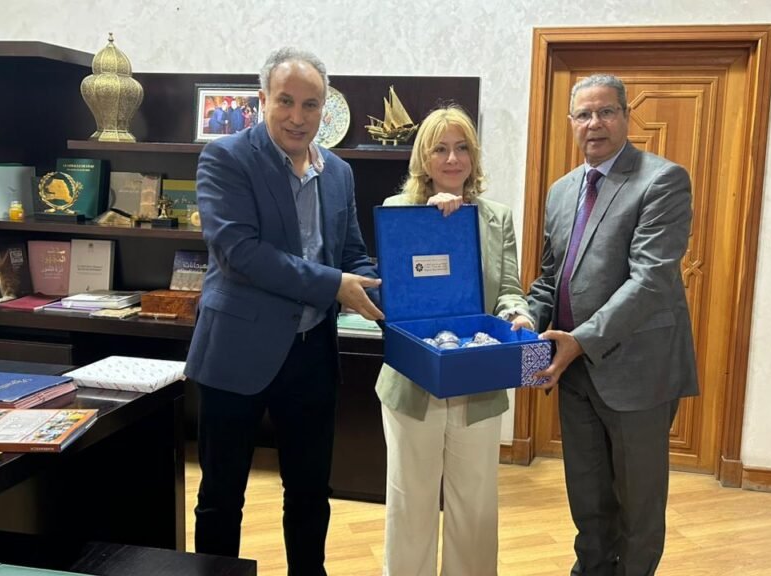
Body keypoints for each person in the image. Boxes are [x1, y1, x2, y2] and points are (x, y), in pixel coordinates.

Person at [185, 46, 383, 573]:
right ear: (262, 100)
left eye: (311, 104)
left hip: (312, 355)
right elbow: (241, 253)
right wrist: (335, 284)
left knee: (311, 493)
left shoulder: (338, 172)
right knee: (221, 495)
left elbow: (351, 253)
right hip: (236, 353)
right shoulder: (226, 158)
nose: (298, 116)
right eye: (286, 101)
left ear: (325, 108)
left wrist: (395, 289)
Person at [525, 74, 699, 576]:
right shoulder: (561, 191)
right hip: (574, 373)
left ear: (625, 116)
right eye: (584, 114)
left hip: (637, 373)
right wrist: (525, 316)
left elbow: (650, 281)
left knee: (638, 505)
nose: (594, 123)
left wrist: (579, 341)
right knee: (588, 496)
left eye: (606, 112)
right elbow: (551, 278)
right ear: (571, 123)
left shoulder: (661, 180)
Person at [375, 106, 534, 576]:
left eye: (462, 147)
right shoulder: (398, 211)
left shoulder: (496, 218)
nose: (452, 158)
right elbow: (395, 290)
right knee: (411, 503)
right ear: (423, 157)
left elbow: (508, 289)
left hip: (477, 378)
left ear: (474, 155)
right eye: (440, 148)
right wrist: (432, 224)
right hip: (412, 383)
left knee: (475, 507)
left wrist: (518, 313)